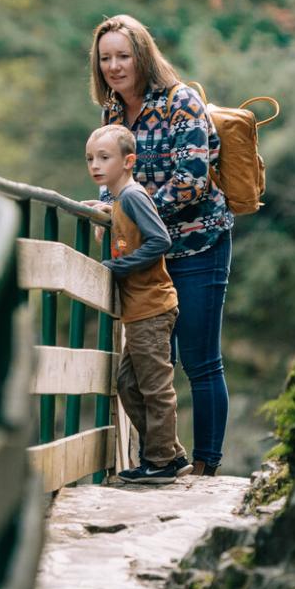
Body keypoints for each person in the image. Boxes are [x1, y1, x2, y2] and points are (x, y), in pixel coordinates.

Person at [89, 14, 233, 476]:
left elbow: (191, 181)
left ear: (143, 56)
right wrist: (107, 210)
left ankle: (207, 466)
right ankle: (164, 458)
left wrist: (135, 215)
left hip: (198, 246)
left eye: (123, 56)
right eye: (106, 57)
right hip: (150, 257)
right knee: (148, 365)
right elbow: (113, 178)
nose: (114, 66)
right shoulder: (113, 113)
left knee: (200, 358)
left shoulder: (180, 103)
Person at [87, 124, 188, 482]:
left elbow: (159, 241)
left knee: (155, 387)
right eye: (91, 159)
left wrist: (115, 267)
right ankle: (169, 454)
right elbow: (128, 226)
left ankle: (159, 462)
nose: (95, 165)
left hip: (151, 306)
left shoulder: (131, 196)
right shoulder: (121, 200)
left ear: (129, 161)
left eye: (104, 157)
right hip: (140, 310)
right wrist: (105, 210)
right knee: (128, 384)